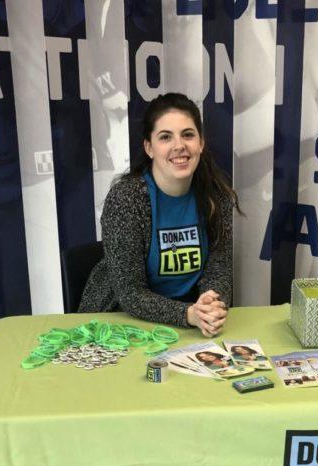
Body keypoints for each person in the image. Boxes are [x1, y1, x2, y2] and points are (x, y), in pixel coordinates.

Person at [79, 93, 240, 337]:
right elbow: (130, 294)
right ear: (149, 147)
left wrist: (210, 303)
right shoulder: (127, 199)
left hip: (191, 322)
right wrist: (188, 315)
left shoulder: (217, 197)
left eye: (188, 134)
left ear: (201, 143)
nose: (179, 145)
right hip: (118, 321)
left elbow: (219, 271)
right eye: (165, 137)